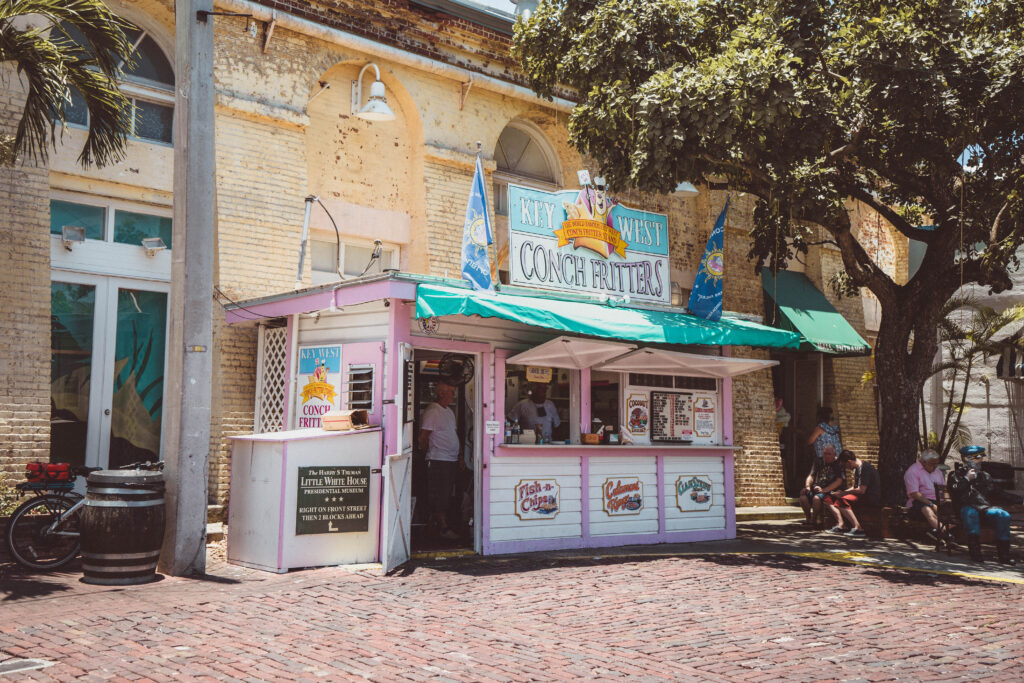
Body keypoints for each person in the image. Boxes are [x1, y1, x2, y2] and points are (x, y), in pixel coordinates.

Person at [947, 446, 1022, 564]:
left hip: (984, 509)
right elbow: (955, 490)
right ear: (966, 459)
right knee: (971, 513)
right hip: (965, 510)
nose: (980, 461)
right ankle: (976, 553)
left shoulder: (985, 476)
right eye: (977, 458)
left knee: (1003, 515)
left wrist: (1020, 500)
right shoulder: (955, 475)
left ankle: (1004, 556)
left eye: (981, 458)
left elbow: (999, 493)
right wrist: (967, 479)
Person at [418, 381, 460, 540]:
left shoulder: (448, 411)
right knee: (439, 495)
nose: (453, 394)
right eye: (450, 391)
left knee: (447, 494)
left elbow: (453, 434)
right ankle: (442, 528)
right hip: (438, 459)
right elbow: (423, 437)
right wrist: (426, 454)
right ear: (441, 393)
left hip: (451, 459)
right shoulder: (433, 411)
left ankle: (439, 527)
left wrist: (460, 456)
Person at [824, 450, 880, 537]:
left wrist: (843, 494)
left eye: (845, 465)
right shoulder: (857, 468)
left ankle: (858, 528)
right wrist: (842, 492)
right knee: (828, 499)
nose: (846, 468)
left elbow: (861, 490)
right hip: (860, 494)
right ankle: (841, 525)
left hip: (870, 496)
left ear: (849, 462)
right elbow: (855, 487)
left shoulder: (865, 469)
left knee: (841, 501)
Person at [903, 448, 946, 543]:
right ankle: (945, 533)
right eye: (932, 464)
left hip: (938, 501)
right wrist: (931, 504)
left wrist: (943, 503)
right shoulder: (913, 471)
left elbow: (942, 490)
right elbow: (914, 493)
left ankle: (938, 532)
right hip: (920, 502)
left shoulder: (937, 471)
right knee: (927, 510)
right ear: (923, 462)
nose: (935, 467)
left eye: (936, 464)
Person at [799, 444, 845, 527]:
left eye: (829, 454)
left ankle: (814, 519)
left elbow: (839, 481)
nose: (826, 456)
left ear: (834, 454)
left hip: (829, 490)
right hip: (816, 488)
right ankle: (808, 518)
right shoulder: (818, 461)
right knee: (803, 497)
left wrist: (824, 490)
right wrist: (807, 486)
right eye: (824, 453)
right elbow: (811, 475)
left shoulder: (838, 464)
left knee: (816, 498)